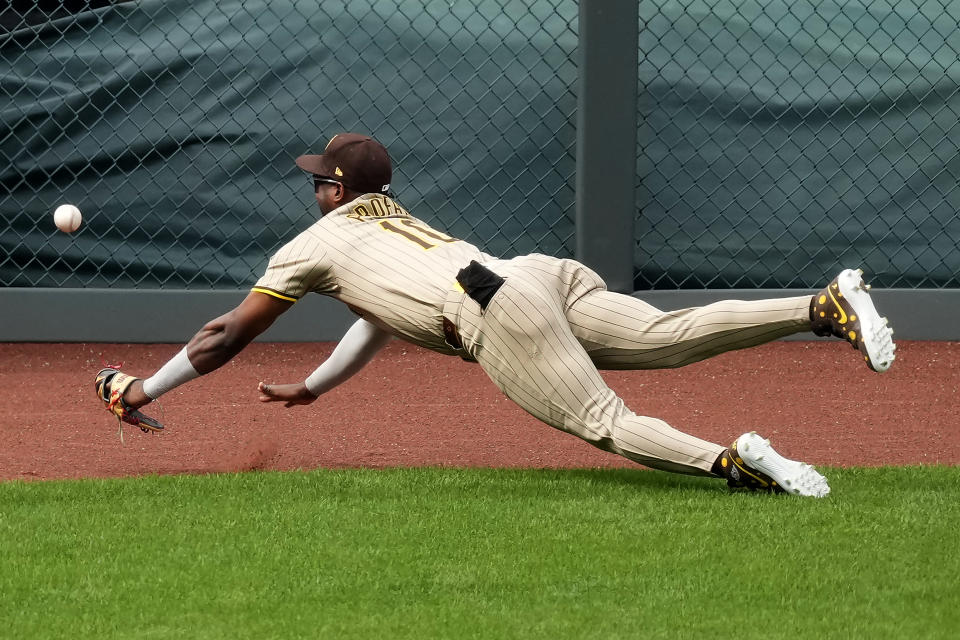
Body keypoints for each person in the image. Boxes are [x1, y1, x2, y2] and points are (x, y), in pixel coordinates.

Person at [95, 132, 897, 497]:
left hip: (492, 309)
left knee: (605, 422)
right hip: (533, 273)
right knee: (664, 335)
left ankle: (740, 465)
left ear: (338, 190)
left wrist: (140, 389)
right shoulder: (396, 221)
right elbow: (376, 316)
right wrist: (315, 386)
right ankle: (822, 306)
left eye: (320, 179)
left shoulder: (318, 241)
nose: (314, 188)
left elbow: (224, 335)